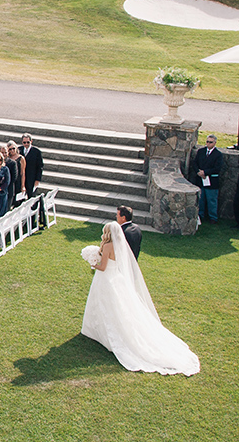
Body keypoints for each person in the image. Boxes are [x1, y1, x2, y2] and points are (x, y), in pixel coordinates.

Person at [81, 222, 199, 376]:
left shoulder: (109, 246)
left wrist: (92, 263)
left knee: (106, 305)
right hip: (116, 278)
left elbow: (103, 267)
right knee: (116, 307)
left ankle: (104, 333)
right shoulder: (120, 245)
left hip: (106, 279)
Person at [195, 134, 222, 223]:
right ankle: (200, 215)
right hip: (200, 179)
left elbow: (217, 168)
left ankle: (213, 217)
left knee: (212, 200)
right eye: (207, 141)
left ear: (214, 143)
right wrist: (199, 172)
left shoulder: (218, 155)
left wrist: (205, 173)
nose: (208, 144)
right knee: (201, 198)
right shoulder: (201, 151)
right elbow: (195, 163)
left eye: (210, 142)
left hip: (211, 181)